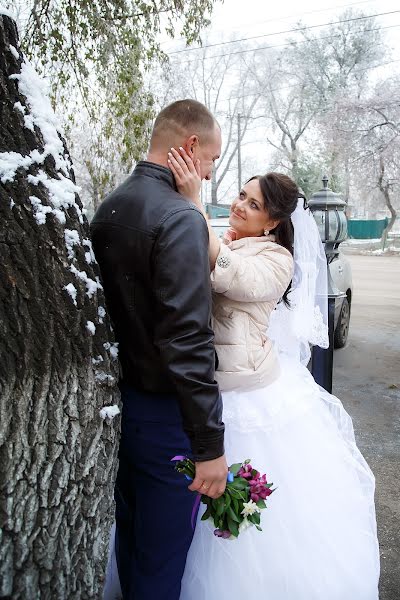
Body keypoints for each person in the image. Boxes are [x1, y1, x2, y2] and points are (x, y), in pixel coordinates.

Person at [167, 148, 380, 600]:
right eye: (241, 196)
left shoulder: (276, 260)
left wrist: (195, 209)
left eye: (254, 204)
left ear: (271, 223)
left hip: (245, 389)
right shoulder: (231, 240)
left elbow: (235, 277)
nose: (241, 206)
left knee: (238, 514)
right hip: (209, 386)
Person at [90, 99, 228, 600]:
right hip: (166, 416)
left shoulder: (108, 206)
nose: (208, 175)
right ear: (190, 147)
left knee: (131, 541)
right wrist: (208, 445)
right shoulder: (178, 218)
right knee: (162, 559)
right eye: (210, 160)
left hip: (118, 406)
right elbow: (188, 339)